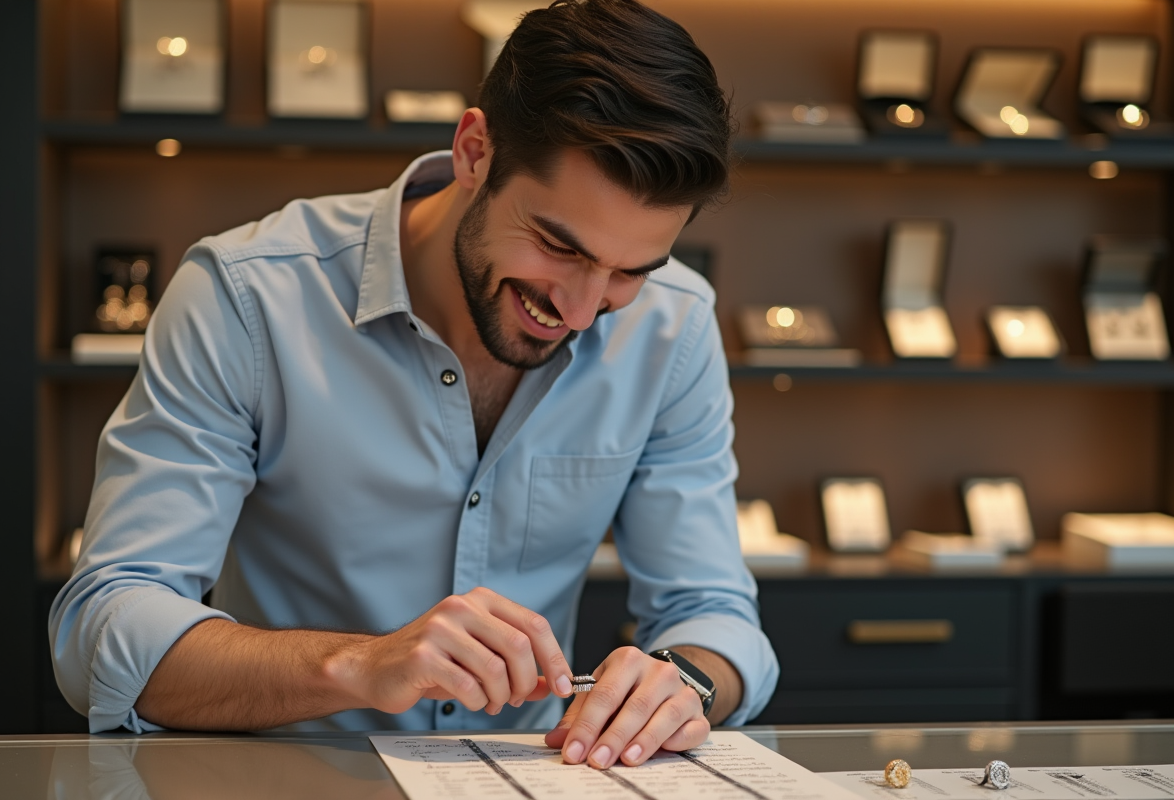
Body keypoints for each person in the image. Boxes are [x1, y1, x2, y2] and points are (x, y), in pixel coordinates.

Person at [49, 0, 778, 769]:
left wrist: (686, 678)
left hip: (534, 780)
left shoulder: (675, 326)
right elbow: (102, 629)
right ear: (474, 152)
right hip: (287, 778)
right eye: (558, 246)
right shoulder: (247, 297)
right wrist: (360, 666)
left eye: (630, 271)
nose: (582, 308)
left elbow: (713, 614)